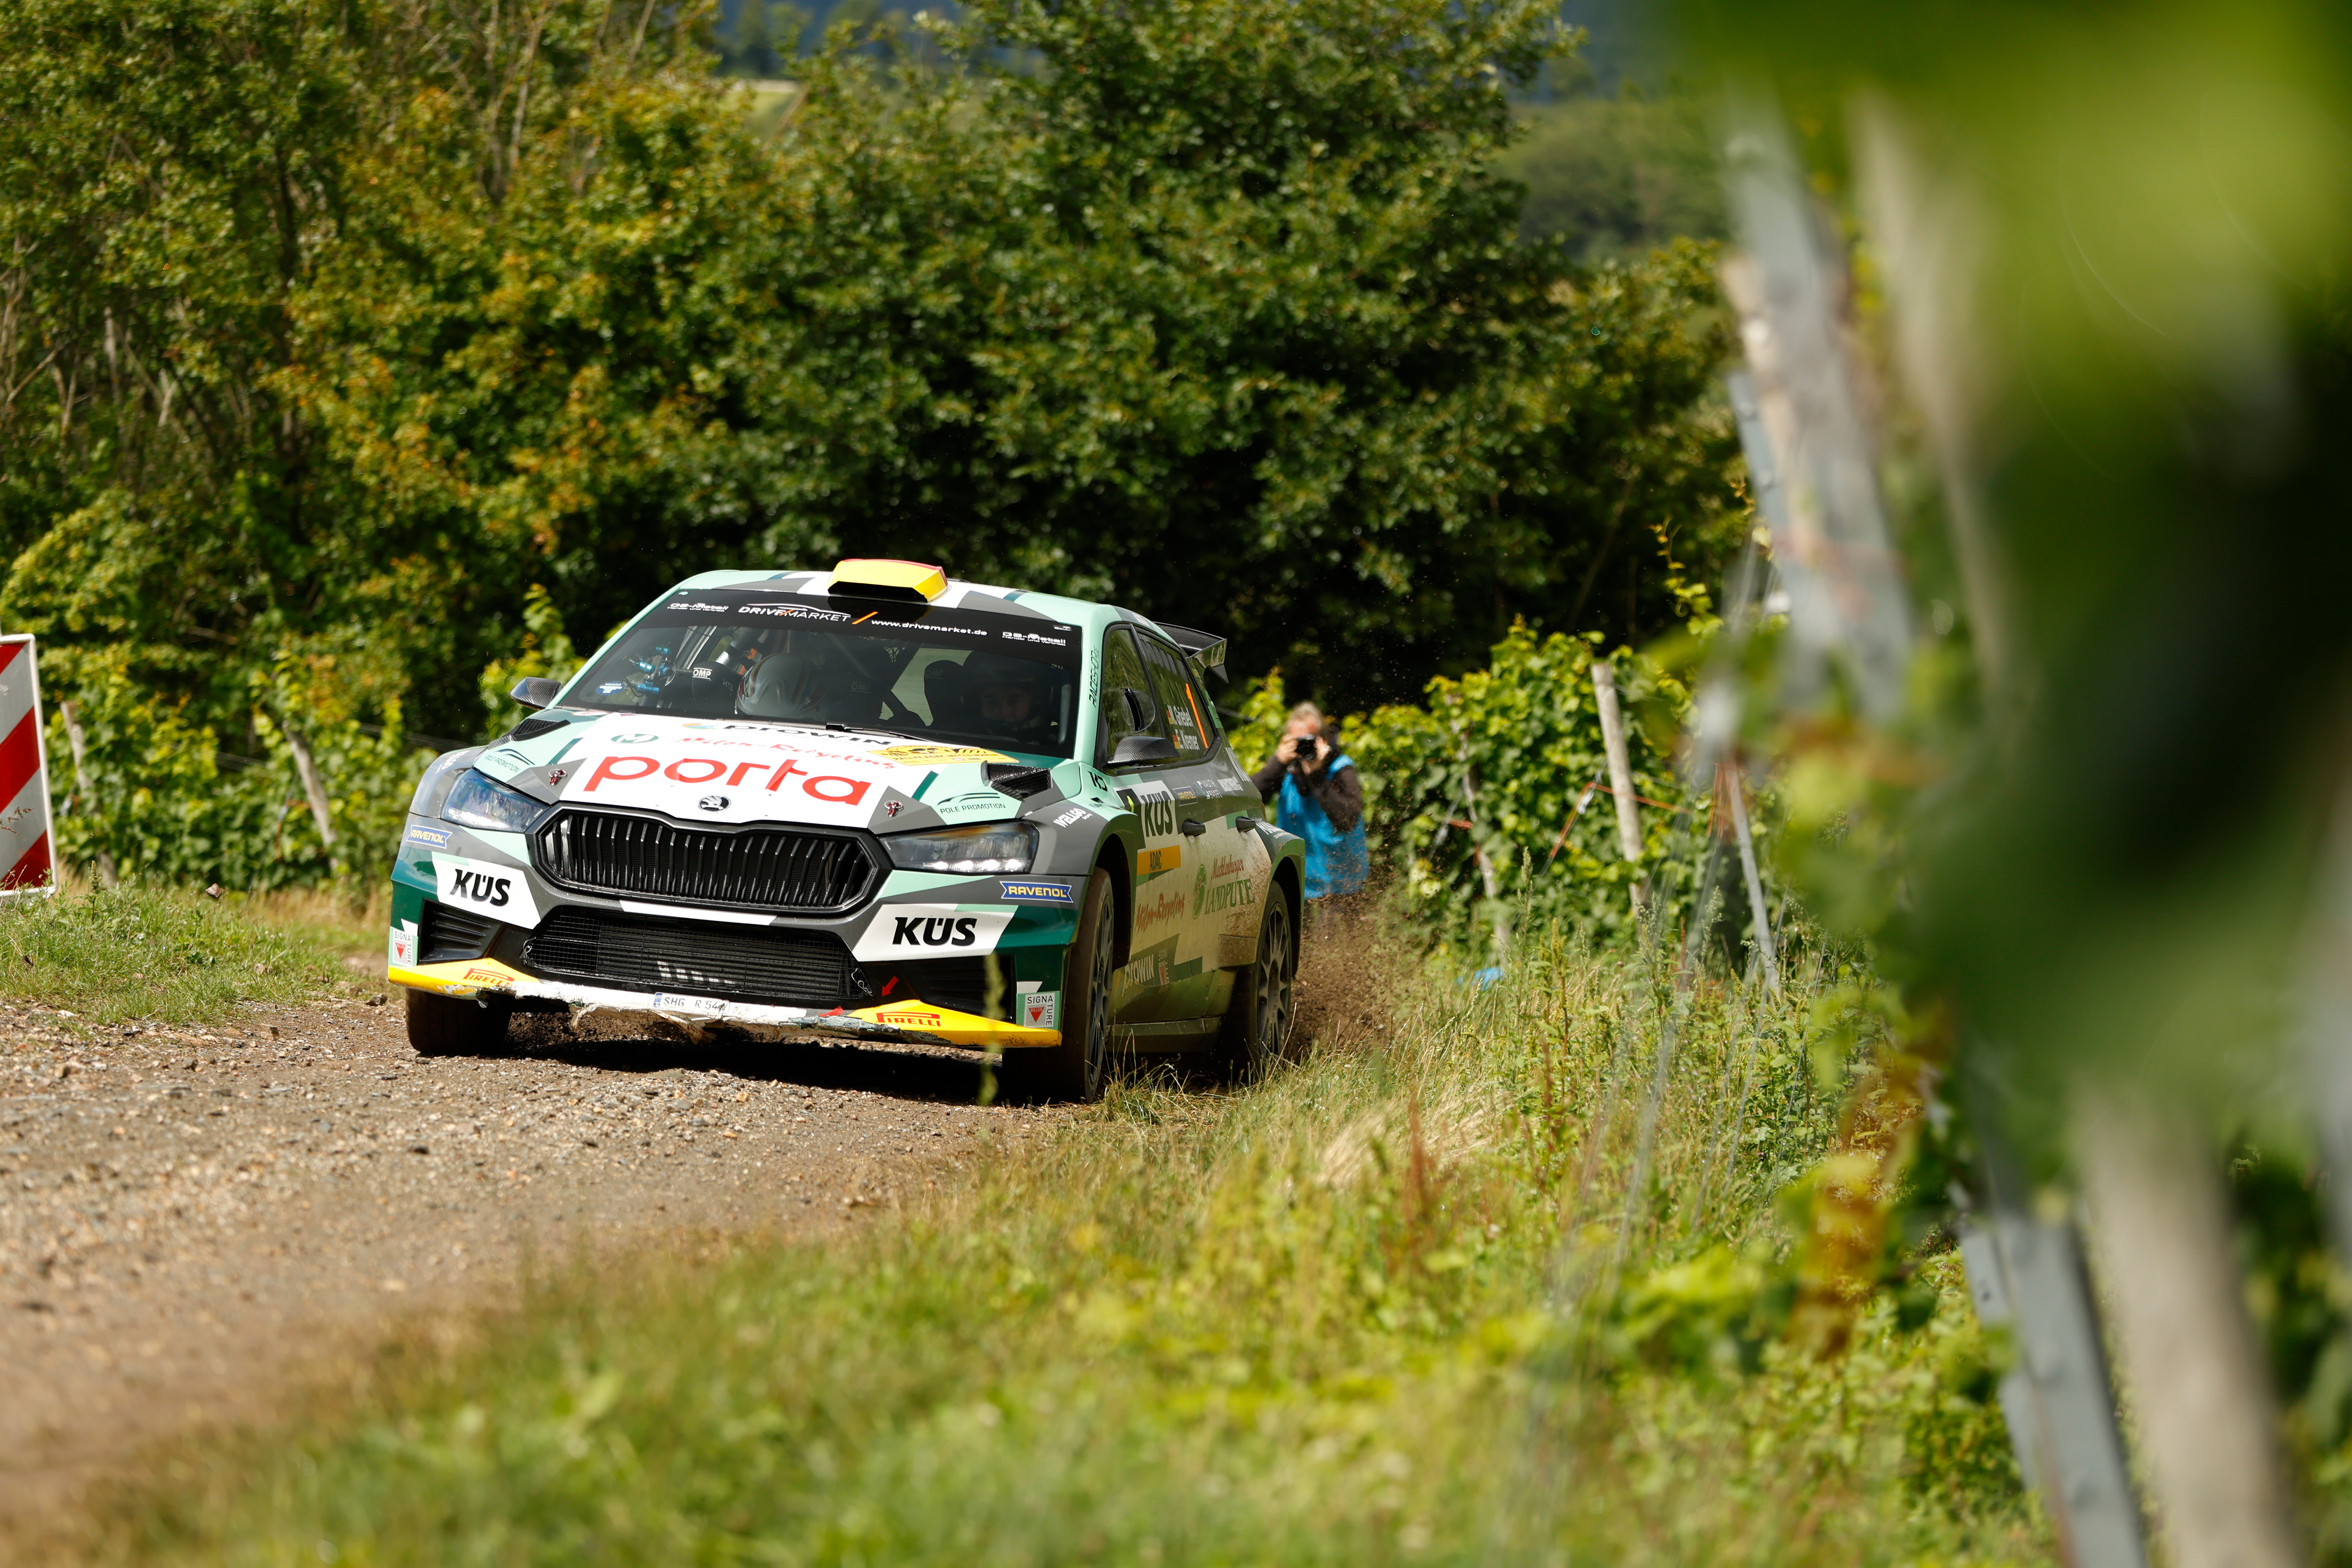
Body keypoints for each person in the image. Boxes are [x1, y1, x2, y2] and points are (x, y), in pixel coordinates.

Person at [1253, 701, 1368, 903]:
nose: (1303, 748)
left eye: (1308, 741)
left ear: (1324, 740)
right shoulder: (1286, 769)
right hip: (1298, 881)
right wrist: (1277, 763)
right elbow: (1251, 798)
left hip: (1341, 882)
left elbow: (1347, 820)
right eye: (1297, 742)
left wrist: (1317, 775)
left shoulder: (1340, 767)